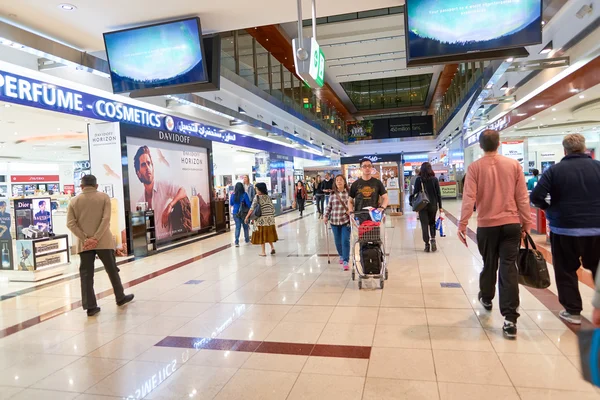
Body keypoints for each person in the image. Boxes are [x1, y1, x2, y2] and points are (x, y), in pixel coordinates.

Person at [459, 129, 531, 339]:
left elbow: (469, 198)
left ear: (480, 146)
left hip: (487, 225)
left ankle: (487, 297)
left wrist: (462, 224)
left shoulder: (474, 168)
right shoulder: (513, 165)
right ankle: (510, 320)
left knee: (489, 263)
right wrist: (526, 223)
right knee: (508, 267)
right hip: (511, 224)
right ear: (499, 143)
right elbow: (522, 197)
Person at [531, 133, 600, 325]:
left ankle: (573, 311)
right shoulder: (598, 167)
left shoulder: (555, 171)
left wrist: (549, 209)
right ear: (585, 148)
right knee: (597, 268)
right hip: (596, 229)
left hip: (565, 229)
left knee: (566, 269)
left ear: (564, 150)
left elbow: (536, 197)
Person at [67, 175, 134, 317]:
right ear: (96, 185)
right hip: (104, 241)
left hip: (84, 244)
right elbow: (106, 220)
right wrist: (96, 238)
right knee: (112, 269)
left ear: (81, 186)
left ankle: (91, 307)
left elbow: (70, 223)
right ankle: (120, 297)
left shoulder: (73, 201)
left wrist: (86, 238)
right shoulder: (104, 198)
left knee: (86, 275)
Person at [133, 146, 188, 240]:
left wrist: (170, 206)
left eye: (149, 163)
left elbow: (183, 191)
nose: (147, 167)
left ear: (153, 166)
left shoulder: (163, 185)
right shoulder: (140, 202)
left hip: (170, 242)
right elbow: (140, 230)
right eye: (143, 165)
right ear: (138, 173)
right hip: (153, 246)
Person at [413, 162, 443, 252]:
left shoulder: (419, 180)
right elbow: (438, 194)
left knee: (424, 225)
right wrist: (440, 206)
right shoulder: (435, 179)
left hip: (422, 205)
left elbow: (415, 193)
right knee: (432, 223)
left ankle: (427, 244)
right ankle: (433, 239)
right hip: (433, 205)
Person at [324, 175, 351, 271]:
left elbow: (353, 204)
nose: (339, 182)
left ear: (344, 182)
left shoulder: (349, 193)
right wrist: (326, 216)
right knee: (337, 241)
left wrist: (351, 211)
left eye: (341, 180)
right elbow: (329, 207)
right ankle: (341, 255)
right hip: (334, 221)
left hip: (346, 220)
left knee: (345, 240)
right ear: (335, 183)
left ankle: (346, 260)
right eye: (337, 180)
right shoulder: (332, 194)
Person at [245, 182, 278, 257]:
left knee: (262, 235)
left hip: (261, 219)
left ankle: (263, 252)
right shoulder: (268, 197)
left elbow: (252, 208)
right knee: (268, 234)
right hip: (270, 219)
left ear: (260, 189)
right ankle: (272, 247)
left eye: (256, 189)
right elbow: (272, 208)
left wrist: (247, 217)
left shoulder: (257, 197)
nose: (256, 190)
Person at [230, 182, 251, 247]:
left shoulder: (233, 195)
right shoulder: (244, 194)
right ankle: (247, 239)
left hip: (235, 213)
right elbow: (248, 204)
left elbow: (231, 203)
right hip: (244, 213)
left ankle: (236, 241)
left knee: (237, 227)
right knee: (245, 226)